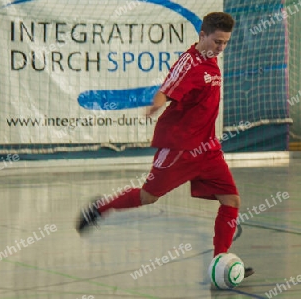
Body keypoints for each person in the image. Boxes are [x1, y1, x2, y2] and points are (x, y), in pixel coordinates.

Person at [75, 12, 254, 278]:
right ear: (202, 36)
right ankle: (100, 208)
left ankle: (220, 261)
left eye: (225, 42)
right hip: (180, 149)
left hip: (207, 148)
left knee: (231, 199)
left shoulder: (212, 60)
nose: (221, 48)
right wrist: (157, 104)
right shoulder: (190, 63)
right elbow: (168, 87)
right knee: (149, 196)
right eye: (217, 41)